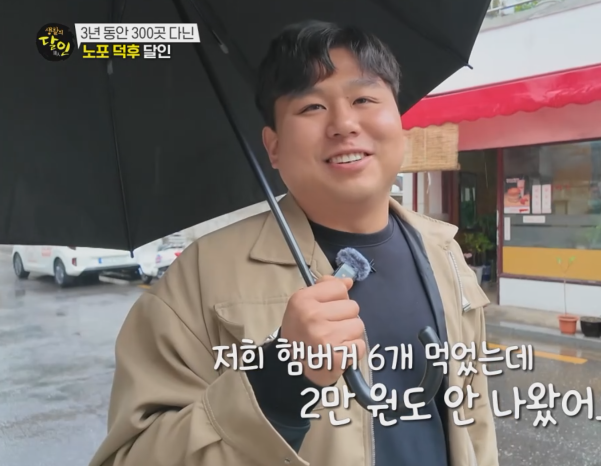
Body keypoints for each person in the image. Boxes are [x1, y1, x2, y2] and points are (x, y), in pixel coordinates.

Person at [88, 20, 498, 466]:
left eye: (364, 99)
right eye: (311, 107)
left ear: (398, 121)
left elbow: (473, 422)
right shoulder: (201, 277)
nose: (343, 124)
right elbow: (130, 456)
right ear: (273, 146)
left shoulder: (444, 252)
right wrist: (278, 383)